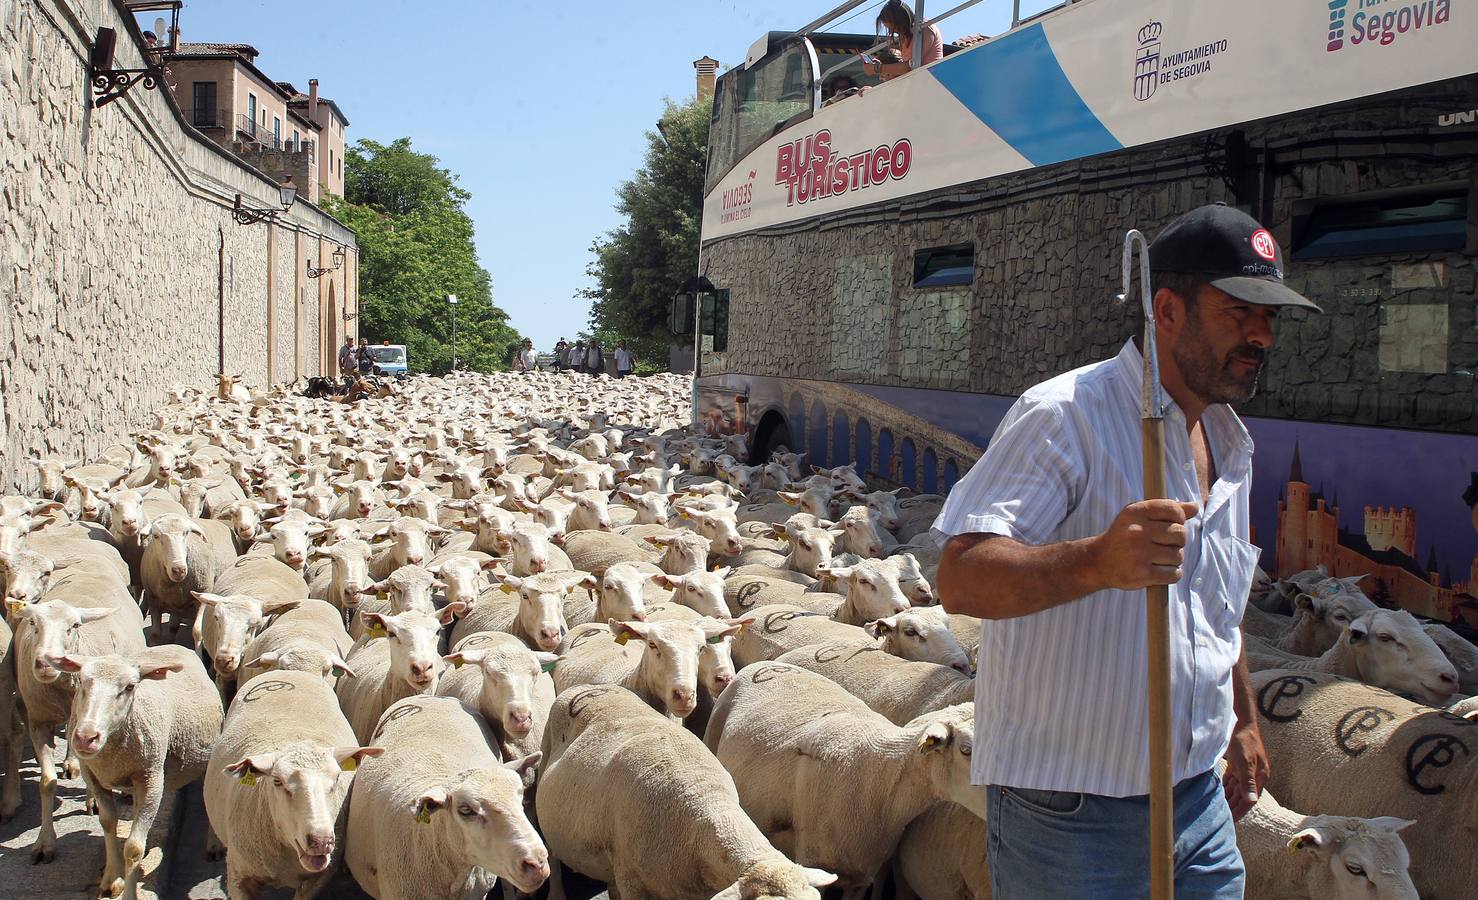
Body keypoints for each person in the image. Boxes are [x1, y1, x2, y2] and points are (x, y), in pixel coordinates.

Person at [932, 204, 1321, 899]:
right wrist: (1095, 563)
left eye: (1270, 319)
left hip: (1198, 800)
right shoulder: (1065, 416)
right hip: (1072, 816)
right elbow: (961, 578)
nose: (1262, 336)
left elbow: (1215, 605)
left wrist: (1242, 723)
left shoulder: (1230, 444)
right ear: (1167, 311)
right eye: (1240, 313)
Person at [862, 0, 943, 80]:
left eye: (892, 28)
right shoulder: (905, 36)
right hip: (918, 81)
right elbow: (907, 67)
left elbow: (912, 65)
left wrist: (878, 68)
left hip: (933, 81)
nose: (891, 32)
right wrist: (882, 64)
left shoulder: (924, 27)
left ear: (901, 21)